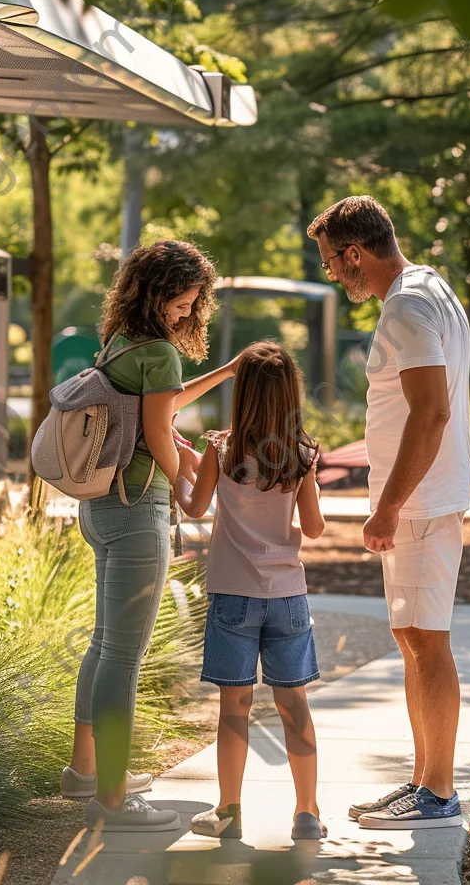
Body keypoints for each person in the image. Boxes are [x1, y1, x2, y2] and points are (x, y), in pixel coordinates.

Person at [62, 240, 240, 832]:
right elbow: (162, 436)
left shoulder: (123, 344)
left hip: (101, 510)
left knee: (103, 643)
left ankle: (85, 771)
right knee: (124, 653)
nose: (188, 313)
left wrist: (225, 371)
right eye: (185, 302)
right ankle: (113, 799)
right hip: (139, 512)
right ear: (162, 291)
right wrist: (188, 494)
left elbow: (157, 410)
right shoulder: (160, 352)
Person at [307, 195, 470, 830]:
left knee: (426, 642)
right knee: (412, 640)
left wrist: (388, 506)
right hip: (425, 500)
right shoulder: (427, 287)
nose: (330, 273)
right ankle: (424, 781)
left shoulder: (405, 306)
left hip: (420, 505)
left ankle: (437, 793)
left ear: (355, 254)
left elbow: (432, 413)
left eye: (330, 262)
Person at [174, 340, 327, 843]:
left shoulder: (221, 448)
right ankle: (307, 813)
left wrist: (184, 470)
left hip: (232, 595)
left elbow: (195, 509)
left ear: (243, 394)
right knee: (294, 704)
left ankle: (229, 810)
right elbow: (315, 527)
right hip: (287, 596)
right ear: (290, 395)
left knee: (233, 708)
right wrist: (309, 485)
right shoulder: (302, 454)